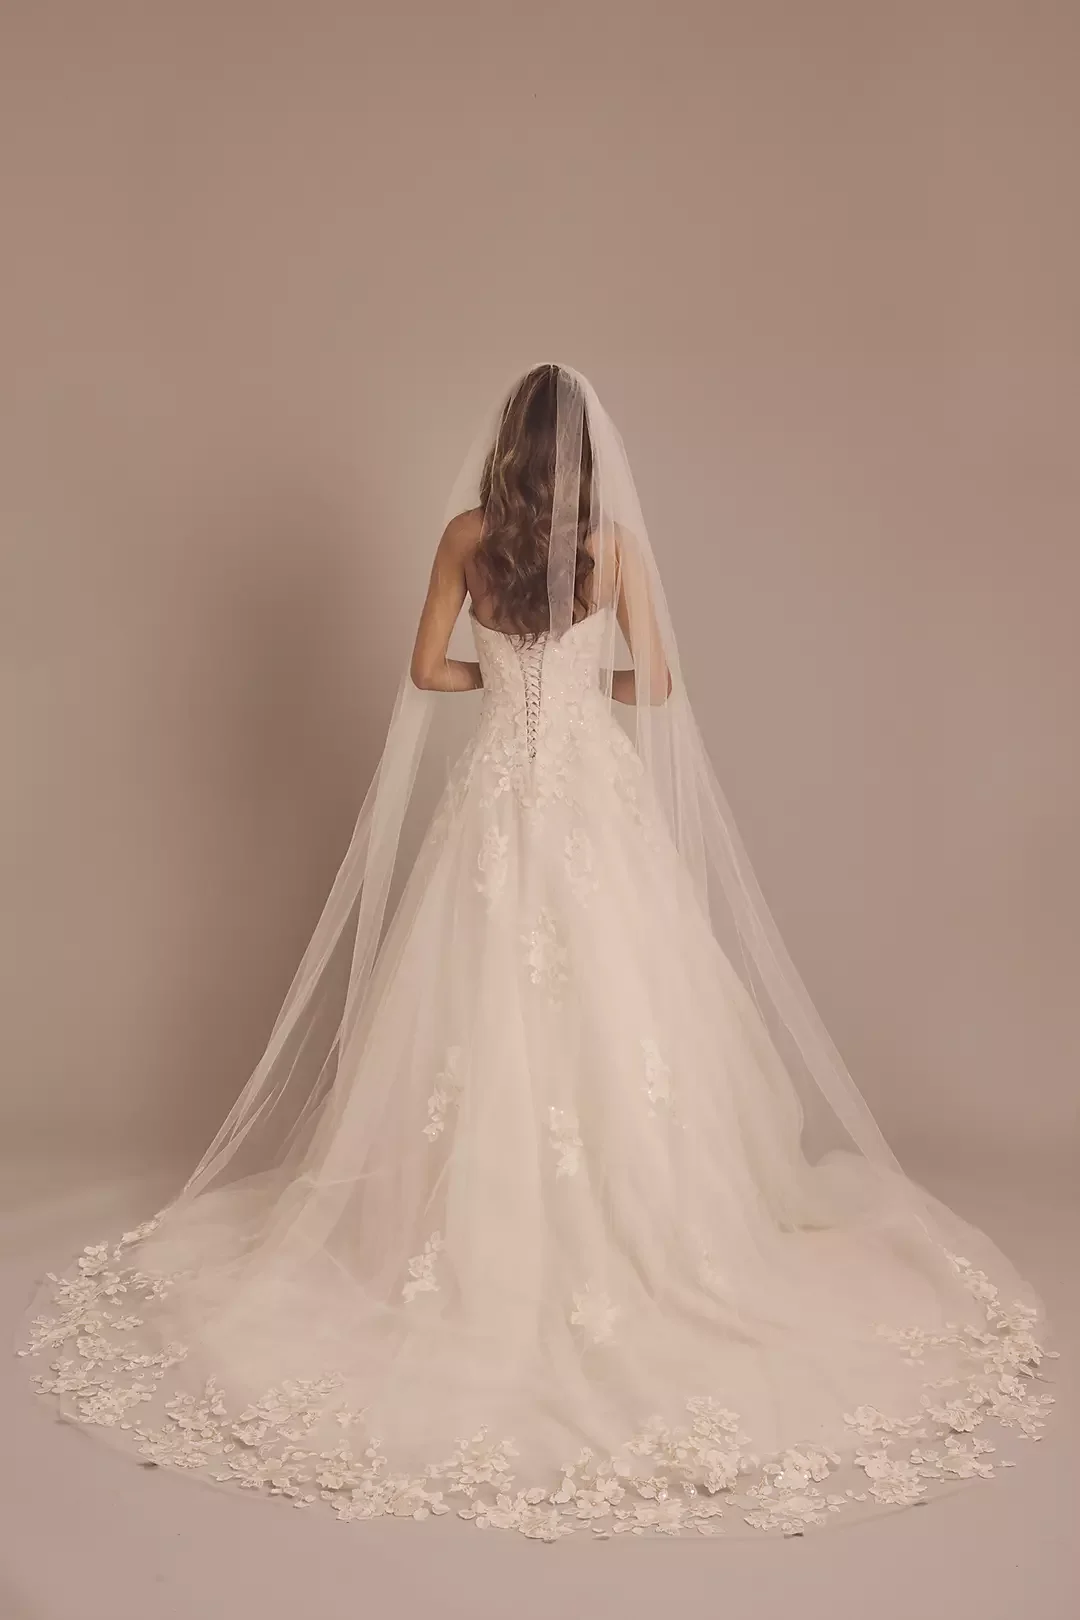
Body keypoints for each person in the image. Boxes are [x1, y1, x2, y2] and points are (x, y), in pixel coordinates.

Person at [19, 364, 1053, 1540]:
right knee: (623, 1010)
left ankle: (466, 1241)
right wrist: (575, 693)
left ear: (508, 447)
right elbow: (657, 687)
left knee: (472, 1004)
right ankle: (640, 1237)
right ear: (589, 460)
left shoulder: (466, 535)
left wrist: (506, 682)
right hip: (590, 799)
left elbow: (423, 670)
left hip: (496, 804)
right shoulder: (613, 551)